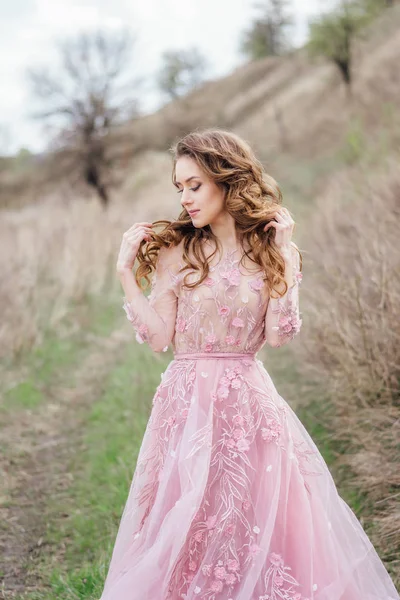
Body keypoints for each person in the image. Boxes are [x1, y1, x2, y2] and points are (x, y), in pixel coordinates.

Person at [100, 129, 399, 600]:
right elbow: (158, 338)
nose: (186, 197)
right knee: (190, 516)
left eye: (195, 184)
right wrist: (125, 275)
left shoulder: (273, 251)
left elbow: (280, 334)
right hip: (186, 404)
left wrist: (283, 257)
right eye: (179, 187)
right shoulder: (180, 251)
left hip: (248, 404)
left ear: (227, 179)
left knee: (254, 517)